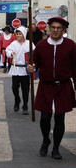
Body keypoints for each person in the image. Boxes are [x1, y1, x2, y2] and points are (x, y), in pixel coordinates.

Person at [27, 17, 76, 160]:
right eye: (53, 27)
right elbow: (34, 62)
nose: (55, 30)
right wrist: (32, 67)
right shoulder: (42, 45)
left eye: (58, 28)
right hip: (46, 85)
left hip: (63, 85)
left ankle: (55, 148)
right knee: (45, 118)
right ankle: (46, 140)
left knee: (60, 118)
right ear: (49, 29)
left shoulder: (71, 45)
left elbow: (75, 67)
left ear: (63, 30)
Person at [6, 26, 35, 115]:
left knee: (25, 89)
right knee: (14, 87)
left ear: (24, 35)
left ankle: (25, 105)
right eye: (17, 34)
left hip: (25, 69)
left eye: (20, 34)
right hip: (16, 68)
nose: (18, 35)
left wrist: (33, 64)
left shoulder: (29, 43)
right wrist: (11, 53)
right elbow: (7, 51)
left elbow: (34, 53)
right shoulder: (14, 43)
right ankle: (17, 99)